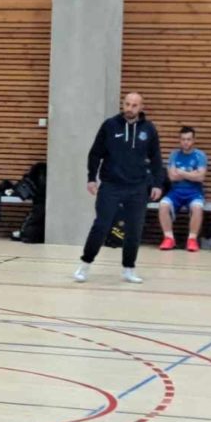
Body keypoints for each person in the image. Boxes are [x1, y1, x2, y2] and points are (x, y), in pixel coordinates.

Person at [75, 92, 164, 284]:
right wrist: (91, 178)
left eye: (134, 105)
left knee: (134, 229)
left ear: (141, 107)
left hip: (138, 187)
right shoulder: (110, 125)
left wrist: (157, 183)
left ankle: (128, 269)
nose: (130, 108)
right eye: (127, 104)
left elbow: (156, 158)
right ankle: (85, 265)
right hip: (111, 185)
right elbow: (95, 153)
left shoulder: (149, 129)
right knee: (101, 225)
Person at [158, 126, 207, 252]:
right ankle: (169, 238)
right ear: (180, 140)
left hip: (194, 193)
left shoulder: (200, 155)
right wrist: (192, 174)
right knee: (163, 205)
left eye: (189, 139)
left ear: (194, 140)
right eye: (183, 139)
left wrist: (181, 172)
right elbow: (172, 177)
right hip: (175, 192)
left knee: (197, 208)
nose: (186, 142)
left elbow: (200, 177)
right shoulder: (174, 155)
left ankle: (192, 240)